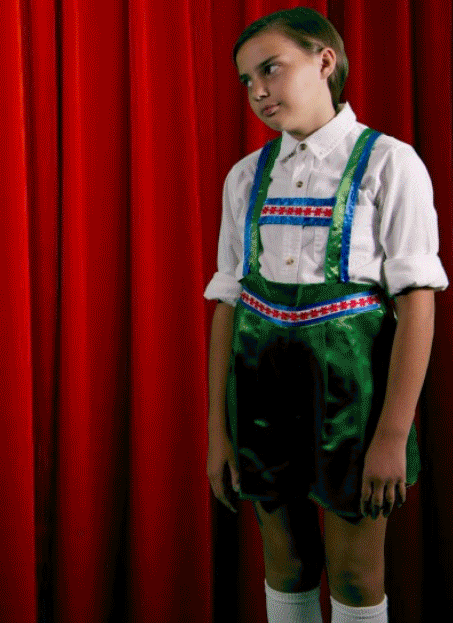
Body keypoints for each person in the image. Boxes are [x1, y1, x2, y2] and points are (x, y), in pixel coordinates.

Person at [204, 7, 446, 623]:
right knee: (285, 563)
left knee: (356, 572)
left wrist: (391, 435)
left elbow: (417, 304)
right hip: (260, 392)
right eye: (247, 80)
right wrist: (218, 430)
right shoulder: (246, 178)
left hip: (353, 401)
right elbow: (230, 302)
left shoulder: (389, 163)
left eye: (271, 69)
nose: (258, 90)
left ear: (325, 61)